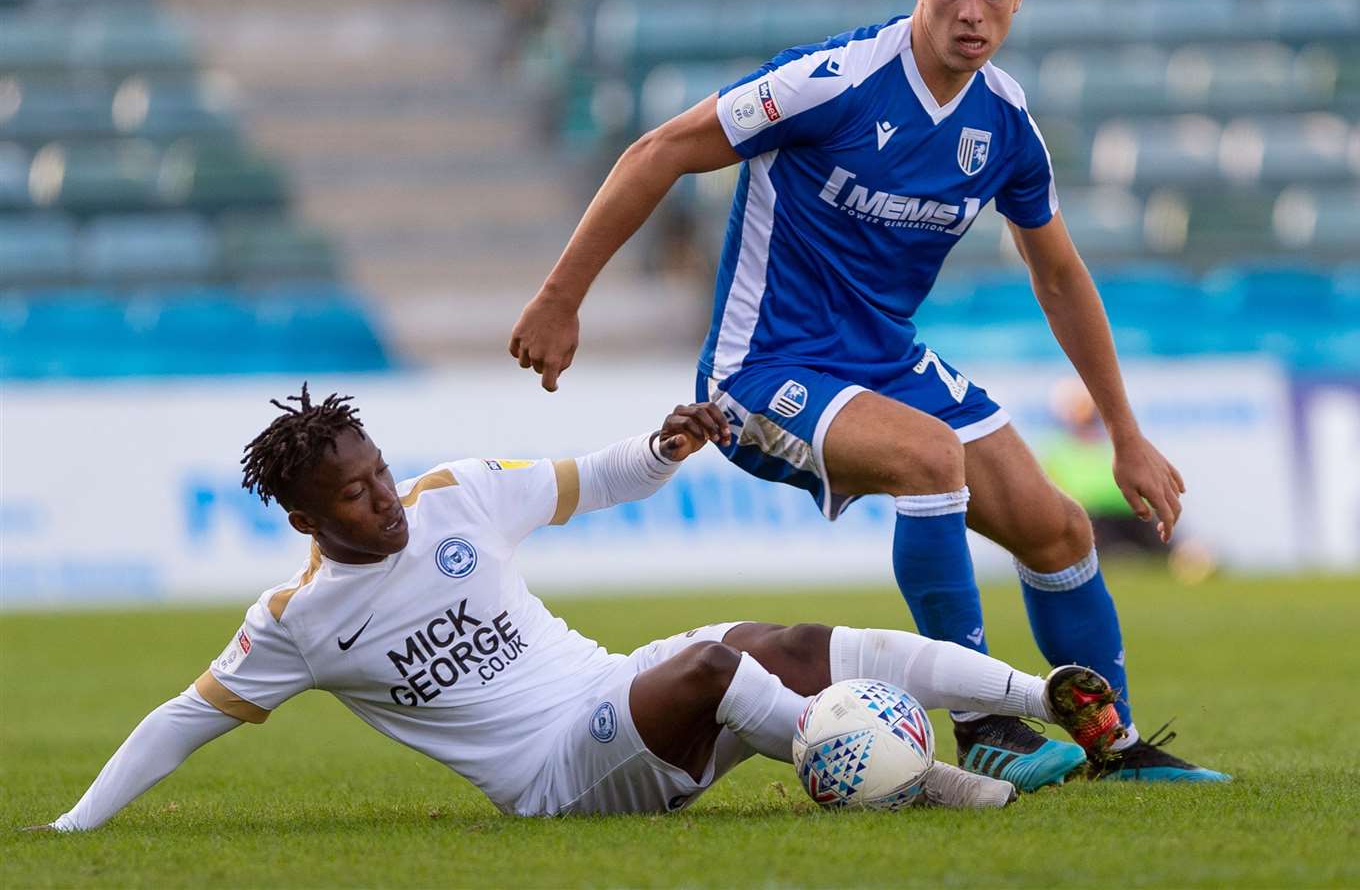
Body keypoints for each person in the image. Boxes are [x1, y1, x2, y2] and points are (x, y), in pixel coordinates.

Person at [508, 0, 1227, 785]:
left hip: (885, 359)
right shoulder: (832, 83)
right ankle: (984, 725)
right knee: (933, 460)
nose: (971, 13)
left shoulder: (1002, 123)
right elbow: (657, 151)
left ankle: (1111, 751)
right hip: (762, 368)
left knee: (1057, 531)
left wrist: (1126, 436)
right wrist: (559, 298)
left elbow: (1058, 274)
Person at [31, 386, 1128, 831]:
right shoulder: (299, 620)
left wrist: (660, 448)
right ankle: (912, 779)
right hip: (554, 776)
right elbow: (183, 718)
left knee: (772, 639)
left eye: (378, 473)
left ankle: (1043, 698)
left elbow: (598, 477)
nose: (383, 502)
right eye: (354, 498)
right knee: (709, 668)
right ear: (304, 520)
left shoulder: (452, 495)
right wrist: (77, 826)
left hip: (607, 690)